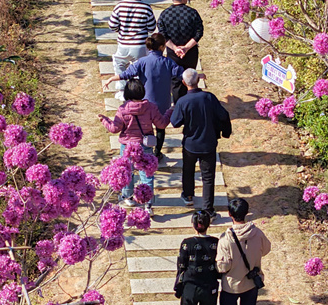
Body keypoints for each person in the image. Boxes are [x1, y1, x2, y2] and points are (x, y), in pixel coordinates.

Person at [101, 33, 202, 162]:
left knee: (145, 127)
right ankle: (157, 152)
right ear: (161, 47)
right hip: (162, 101)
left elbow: (127, 74)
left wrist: (111, 78)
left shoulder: (142, 62)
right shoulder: (167, 62)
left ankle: (145, 149)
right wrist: (196, 76)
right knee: (161, 127)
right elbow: (181, 74)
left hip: (145, 102)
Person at [215, 198, 271, 305]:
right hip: (251, 282)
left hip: (231, 285)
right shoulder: (258, 233)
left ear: (230, 214)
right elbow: (267, 248)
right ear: (246, 213)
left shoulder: (226, 238)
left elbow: (223, 266)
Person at [170, 68, 231, 219]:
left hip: (190, 144)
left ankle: (188, 195)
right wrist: (226, 132)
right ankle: (208, 209)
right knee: (208, 177)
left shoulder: (183, 101)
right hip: (208, 144)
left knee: (188, 170)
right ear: (198, 81)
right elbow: (223, 115)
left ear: (184, 83)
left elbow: (175, 123)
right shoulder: (209, 97)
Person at [99, 79, 167, 213]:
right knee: (147, 175)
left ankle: (128, 197)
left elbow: (114, 128)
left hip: (128, 147)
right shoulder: (151, 107)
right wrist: (169, 112)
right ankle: (148, 204)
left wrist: (104, 120)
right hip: (145, 145)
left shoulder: (123, 109)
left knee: (127, 173)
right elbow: (161, 124)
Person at [175, 210, 220, 305]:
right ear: (209, 224)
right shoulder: (215, 242)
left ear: (193, 225)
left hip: (190, 286)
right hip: (209, 286)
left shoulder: (186, 243)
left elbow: (181, 265)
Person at [157, 0, 203, 104]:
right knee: (190, 79)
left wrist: (175, 48)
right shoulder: (192, 13)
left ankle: (178, 106)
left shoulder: (164, 14)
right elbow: (199, 32)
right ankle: (191, 103)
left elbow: (163, 35)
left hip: (173, 54)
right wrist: (186, 47)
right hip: (191, 52)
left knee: (176, 82)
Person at [108, 0, 156, 85]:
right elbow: (152, 28)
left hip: (123, 44)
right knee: (141, 69)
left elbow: (112, 25)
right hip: (140, 45)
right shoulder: (146, 8)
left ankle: (122, 90)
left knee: (119, 65)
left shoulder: (119, 6)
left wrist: (120, 30)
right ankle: (140, 89)